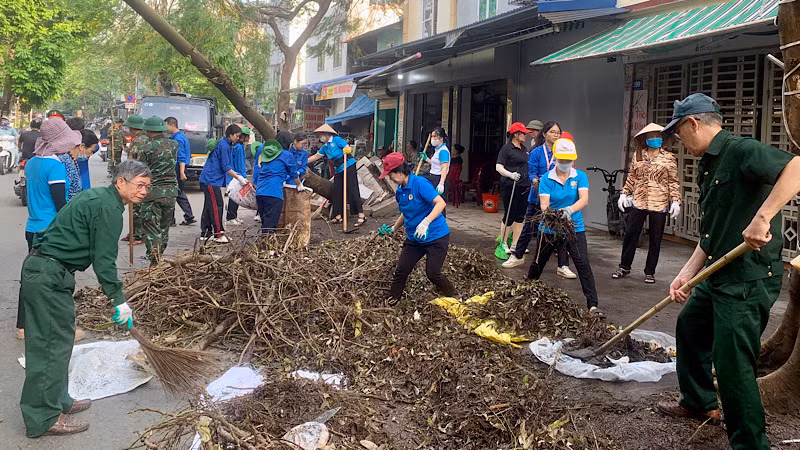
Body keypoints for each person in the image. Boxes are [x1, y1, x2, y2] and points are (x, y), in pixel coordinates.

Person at [655, 93, 800, 450]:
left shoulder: (740, 150)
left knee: (733, 365)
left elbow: (796, 168)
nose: (679, 143)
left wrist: (763, 217)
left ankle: (751, 444)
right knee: (689, 327)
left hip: (746, 280)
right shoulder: (709, 163)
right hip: (717, 273)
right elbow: (712, 233)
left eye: (679, 135)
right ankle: (699, 401)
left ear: (694, 124)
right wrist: (687, 273)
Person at [19, 159, 150, 437]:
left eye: (147, 187)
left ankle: (59, 400)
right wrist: (119, 300)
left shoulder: (99, 197)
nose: (143, 191)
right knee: (48, 347)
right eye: (139, 185)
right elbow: (103, 262)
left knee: (60, 340)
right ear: (120, 183)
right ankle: (43, 418)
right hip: (48, 275)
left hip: (51, 272)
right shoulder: (108, 209)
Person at [526, 137, 603, 317]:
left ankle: (592, 305)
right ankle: (525, 291)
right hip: (550, 228)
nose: (565, 163)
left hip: (574, 226)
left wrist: (569, 210)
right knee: (538, 263)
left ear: (573, 160)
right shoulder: (546, 178)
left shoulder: (580, 176)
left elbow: (584, 199)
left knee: (583, 264)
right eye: (562, 160)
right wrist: (553, 213)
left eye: (568, 161)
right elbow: (544, 204)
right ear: (555, 159)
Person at [17, 119, 75, 340]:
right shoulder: (55, 166)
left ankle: (22, 325)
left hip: (33, 227)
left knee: (31, 275)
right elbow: (60, 203)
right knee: (54, 279)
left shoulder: (32, 163)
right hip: (51, 230)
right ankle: (51, 327)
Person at [378, 153, 457, 306]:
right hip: (415, 239)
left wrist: (425, 222)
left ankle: (453, 295)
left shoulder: (420, 183)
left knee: (433, 273)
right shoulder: (400, 191)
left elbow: (440, 203)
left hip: (436, 237)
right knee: (401, 270)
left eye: (391, 175)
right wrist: (393, 228)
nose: (390, 179)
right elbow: (405, 212)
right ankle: (392, 300)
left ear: (400, 171)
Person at [503, 121, 573, 278]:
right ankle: (517, 256)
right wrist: (536, 180)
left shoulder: (563, 151)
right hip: (537, 196)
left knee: (560, 229)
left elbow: (569, 169)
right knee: (528, 228)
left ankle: (563, 265)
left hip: (558, 199)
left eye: (558, 132)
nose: (556, 135)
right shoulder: (536, 152)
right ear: (544, 134)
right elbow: (532, 172)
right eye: (552, 132)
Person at [613, 123, 681, 283]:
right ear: (645, 139)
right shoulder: (638, 156)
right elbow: (632, 177)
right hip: (640, 200)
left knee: (655, 238)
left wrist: (676, 201)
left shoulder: (669, 158)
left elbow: (673, 181)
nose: (654, 139)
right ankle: (624, 266)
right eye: (651, 136)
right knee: (631, 234)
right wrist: (624, 193)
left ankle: (650, 271)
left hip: (659, 202)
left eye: (657, 136)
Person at [137, 116, 178, 266]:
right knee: (164, 228)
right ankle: (159, 256)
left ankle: (154, 261)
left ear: (148, 130)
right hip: (171, 191)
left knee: (151, 228)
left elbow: (141, 170)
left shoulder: (146, 147)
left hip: (152, 193)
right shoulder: (174, 144)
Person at [308, 124, 366, 227]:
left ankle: (361, 215)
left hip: (348, 166)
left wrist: (347, 149)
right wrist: (303, 162)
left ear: (326, 134)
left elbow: (347, 147)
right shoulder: (325, 147)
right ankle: (338, 215)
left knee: (352, 189)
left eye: (321, 135)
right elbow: (316, 156)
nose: (320, 137)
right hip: (338, 169)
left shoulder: (337, 140)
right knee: (336, 190)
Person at [199, 124, 247, 243]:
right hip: (211, 180)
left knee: (209, 206)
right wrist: (239, 177)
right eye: (237, 136)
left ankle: (205, 232)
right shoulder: (224, 146)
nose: (238, 138)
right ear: (230, 135)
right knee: (217, 206)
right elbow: (226, 166)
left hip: (209, 179)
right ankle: (218, 234)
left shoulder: (225, 144)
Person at [495, 122, 532, 259]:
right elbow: (499, 167)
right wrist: (510, 175)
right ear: (516, 135)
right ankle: (503, 242)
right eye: (523, 133)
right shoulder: (506, 149)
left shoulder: (524, 149)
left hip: (523, 186)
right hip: (510, 185)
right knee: (510, 214)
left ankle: (516, 244)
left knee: (520, 216)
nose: (525, 136)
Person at [254, 138, 302, 233]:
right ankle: (267, 246)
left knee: (265, 222)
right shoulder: (286, 155)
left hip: (260, 192)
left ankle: (264, 244)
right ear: (289, 145)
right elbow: (294, 174)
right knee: (270, 225)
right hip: (274, 193)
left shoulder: (267, 153)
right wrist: (299, 184)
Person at [165, 117, 195, 226]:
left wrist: (182, 172)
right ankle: (188, 216)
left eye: (166, 125)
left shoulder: (177, 139)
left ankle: (173, 219)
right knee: (178, 192)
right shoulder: (181, 137)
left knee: (174, 192)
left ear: (172, 125)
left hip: (178, 168)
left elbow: (181, 157)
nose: (165, 128)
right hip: (181, 168)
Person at [122, 114, 147, 244]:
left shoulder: (138, 141)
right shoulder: (143, 138)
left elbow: (134, 161)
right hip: (141, 177)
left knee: (137, 207)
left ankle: (137, 235)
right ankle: (134, 233)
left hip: (137, 177)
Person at [225, 126, 251, 225]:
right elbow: (240, 163)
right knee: (235, 197)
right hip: (237, 175)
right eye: (247, 136)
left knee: (236, 196)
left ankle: (233, 216)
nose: (248, 138)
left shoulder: (236, 146)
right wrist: (242, 177)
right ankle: (231, 217)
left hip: (234, 175)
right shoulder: (239, 148)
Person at [423, 127, 450, 207]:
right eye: (432, 136)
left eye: (435, 136)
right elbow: (436, 164)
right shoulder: (437, 150)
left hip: (438, 179)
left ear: (441, 138)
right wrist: (426, 159)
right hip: (433, 177)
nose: (432, 138)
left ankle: (441, 219)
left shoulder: (443, 151)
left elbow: (444, 168)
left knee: (438, 205)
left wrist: (441, 183)